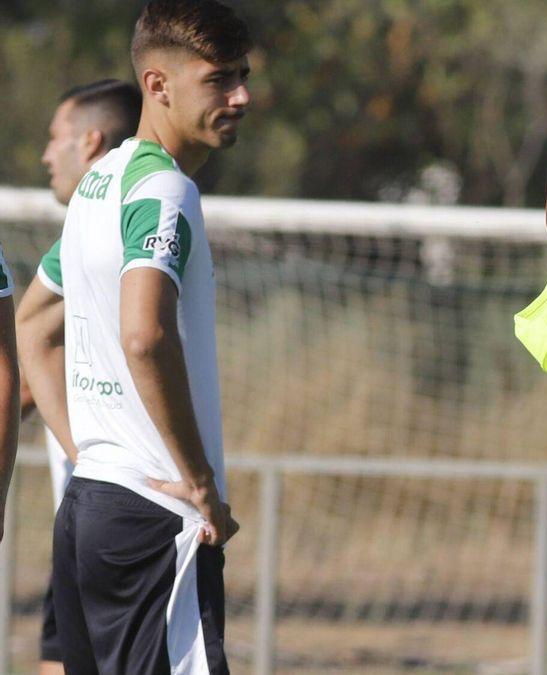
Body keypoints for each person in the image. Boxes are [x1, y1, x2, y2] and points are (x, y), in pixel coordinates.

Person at [51, 0, 250, 671]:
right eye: (220, 79)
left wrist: (87, 446)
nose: (242, 95)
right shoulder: (165, 190)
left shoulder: (95, 182)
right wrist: (200, 485)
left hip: (89, 504)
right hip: (152, 515)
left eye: (242, 75)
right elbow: (144, 334)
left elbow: (30, 323)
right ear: (158, 85)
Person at [19, 78, 141, 675]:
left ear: (90, 142)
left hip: (118, 513)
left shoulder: (116, 234)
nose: (46, 155)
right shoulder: (94, 234)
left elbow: (27, 352)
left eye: (55, 139)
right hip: (92, 514)